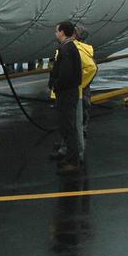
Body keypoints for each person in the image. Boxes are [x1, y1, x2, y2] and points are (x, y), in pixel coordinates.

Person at [48, 21, 83, 173]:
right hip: (69, 92)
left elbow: (66, 74)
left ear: (62, 32)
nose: (56, 33)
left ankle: (73, 160)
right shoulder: (68, 47)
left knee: (68, 127)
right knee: (67, 126)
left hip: (66, 93)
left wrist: (55, 84)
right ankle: (70, 156)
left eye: (57, 31)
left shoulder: (67, 49)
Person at [74, 26, 98, 138]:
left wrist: (80, 83)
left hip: (79, 89)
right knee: (82, 112)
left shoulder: (81, 50)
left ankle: (77, 143)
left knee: (79, 113)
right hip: (82, 88)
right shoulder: (85, 49)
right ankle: (81, 132)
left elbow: (92, 69)